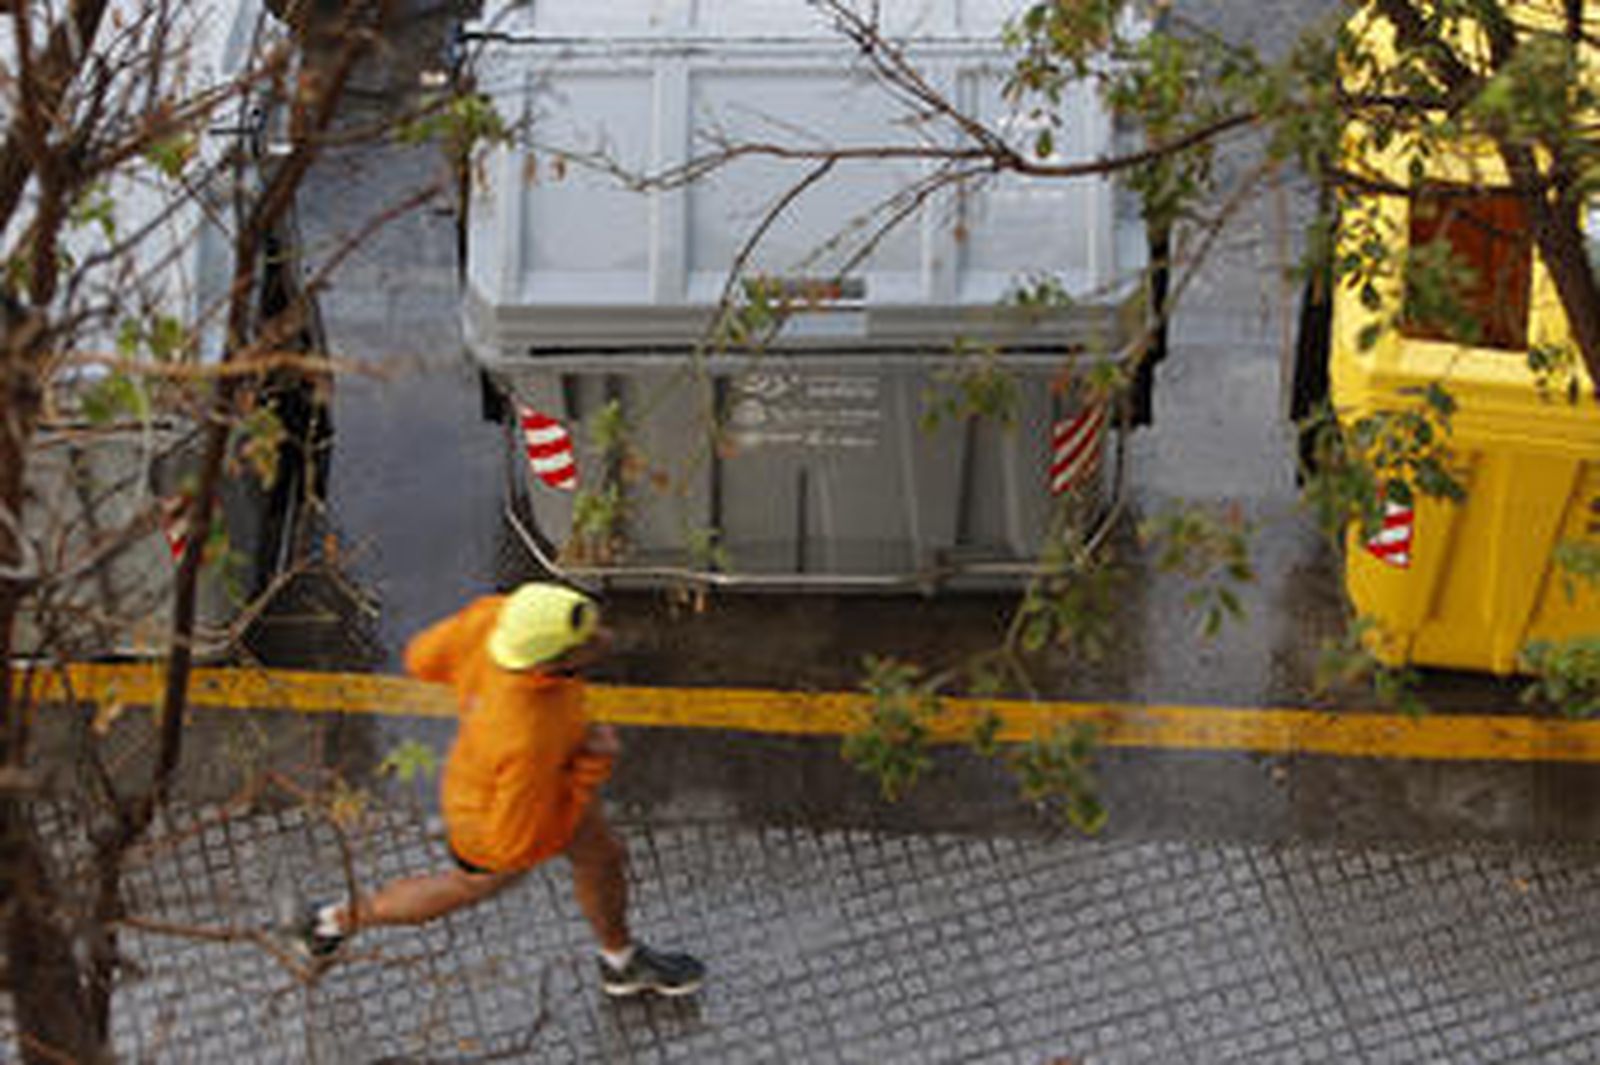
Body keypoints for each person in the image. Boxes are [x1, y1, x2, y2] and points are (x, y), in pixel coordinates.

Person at [297, 581, 705, 998]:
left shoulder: (497, 619)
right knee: (470, 886)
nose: (603, 639)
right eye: (586, 642)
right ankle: (333, 921)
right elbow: (515, 845)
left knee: (603, 857)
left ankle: (620, 961)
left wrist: (479, 690)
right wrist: (590, 767)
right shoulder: (526, 734)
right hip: (497, 821)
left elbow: (421, 658)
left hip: (521, 780)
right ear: (549, 665)